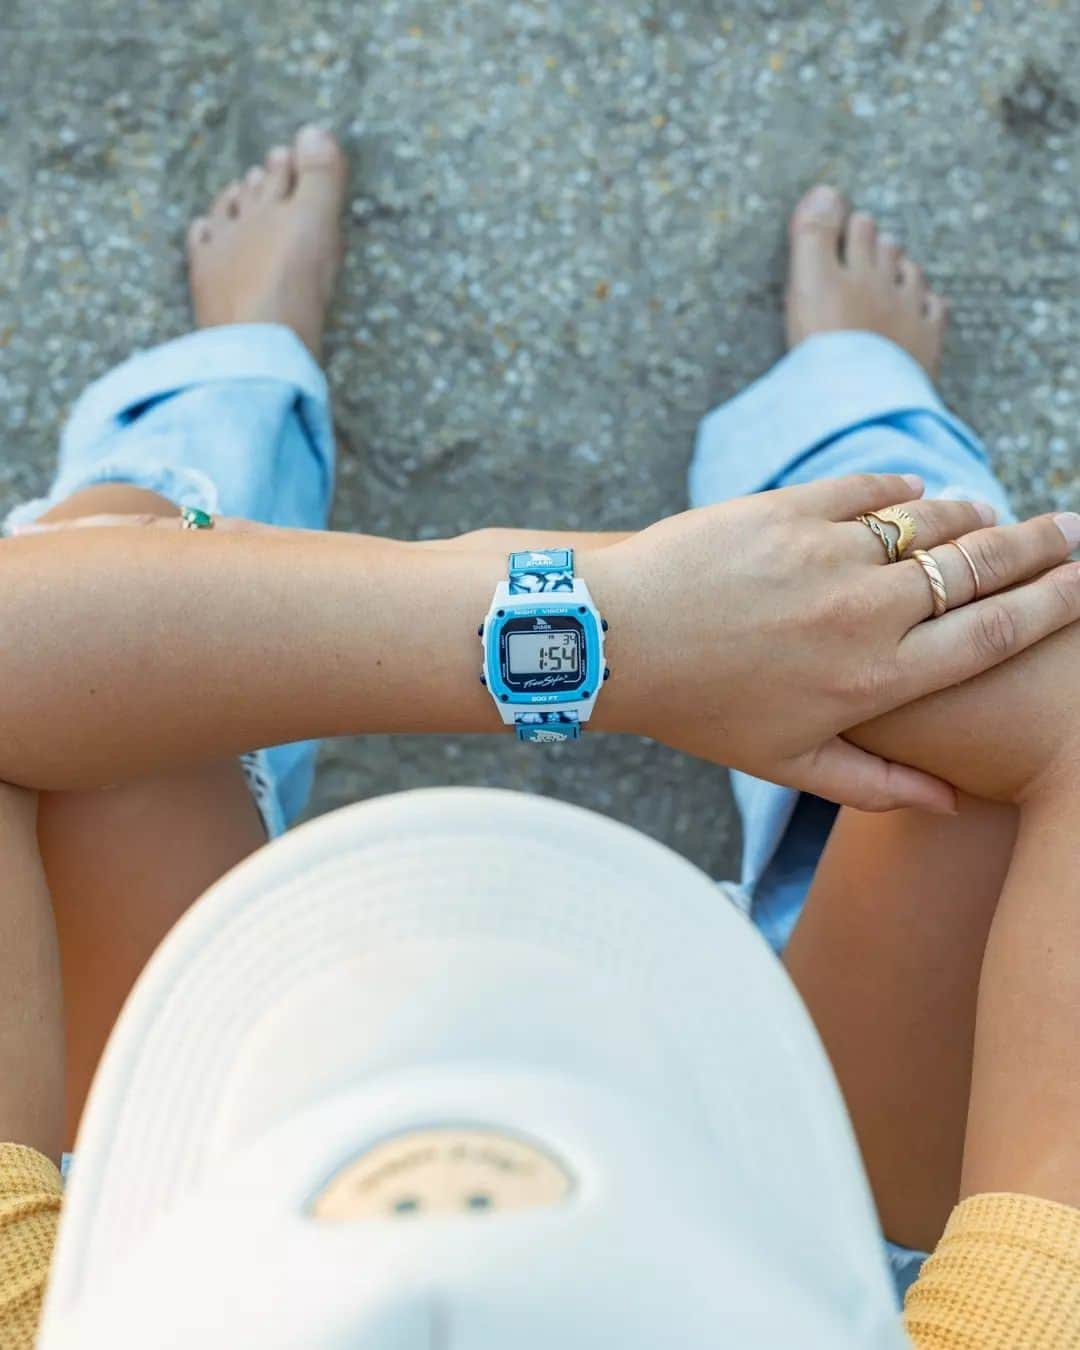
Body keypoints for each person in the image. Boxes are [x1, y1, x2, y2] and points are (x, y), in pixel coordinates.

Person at [0, 125, 1077, 1343]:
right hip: (802, 1217)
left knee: (105, 551)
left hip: (193, 1194)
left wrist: (635, 628)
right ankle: (845, 439)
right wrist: (649, 632)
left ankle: (232, 396)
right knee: (959, 598)